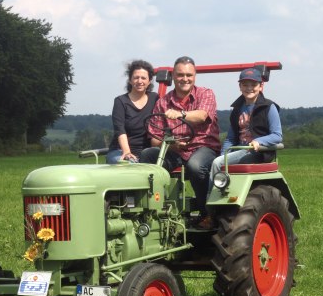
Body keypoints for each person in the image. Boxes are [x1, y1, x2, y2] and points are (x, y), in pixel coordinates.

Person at [139, 56, 221, 223]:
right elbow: (155, 138)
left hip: (202, 148)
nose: (185, 79)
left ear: (195, 76)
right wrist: (171, 144)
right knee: (148, 155)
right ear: (174, 76)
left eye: (189, 75)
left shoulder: (205, 94)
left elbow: (202, 115)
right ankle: (155, 213)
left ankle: (208, 212)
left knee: (195, 166)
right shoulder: (163, 102)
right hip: (175, 151)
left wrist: (181, 114)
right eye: (180, 75)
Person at [207, 67, 283, 205]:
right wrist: (223, 156)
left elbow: (277, 135)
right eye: (245, 84)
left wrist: (259, 141)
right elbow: (231, 138)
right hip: (238, 151)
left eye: (253, 84)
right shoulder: (237, 109)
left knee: (216, 164)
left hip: (257, 153)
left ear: (261, 86)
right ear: (240, 86)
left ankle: (209, 207)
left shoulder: (269, 107)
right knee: (217, 161)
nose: (249, 88)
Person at [106, 60, 159, 164]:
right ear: (130, 80)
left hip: (146, 152)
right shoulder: (120, 101)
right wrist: (127, 152)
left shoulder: (155, 98)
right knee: (129, 166)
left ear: (149, 81)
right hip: (120, 150)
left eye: (143, 78)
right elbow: (120, 130)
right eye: (136, 77)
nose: (140, 81)